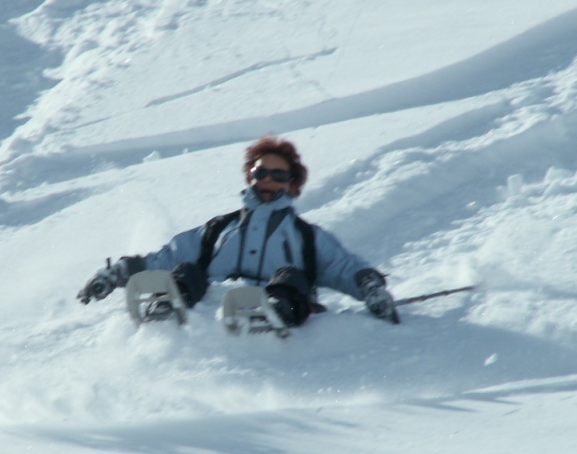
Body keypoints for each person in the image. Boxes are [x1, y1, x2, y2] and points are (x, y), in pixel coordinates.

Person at [77, 136, 399, 326]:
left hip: (281, 317)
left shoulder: (306, 238)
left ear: (292, 184)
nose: (268, 180)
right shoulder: (218, 230)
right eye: (261, 172)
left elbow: (345, 268)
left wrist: (370, 288)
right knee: (187, 269)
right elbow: (166, 258)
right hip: (213, 315)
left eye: (278, 175)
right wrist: (117, 274)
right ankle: (168, 309)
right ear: (250, 177)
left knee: (290, 275)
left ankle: (274, 312)